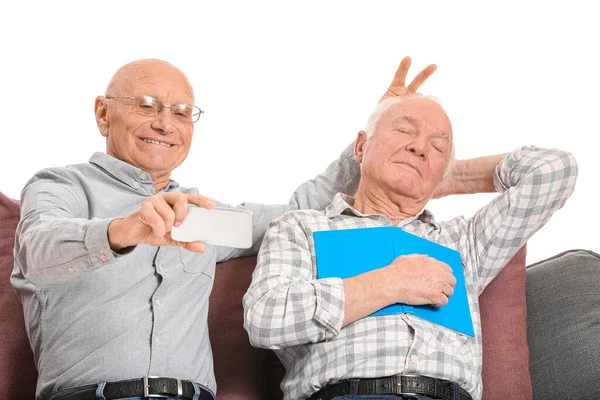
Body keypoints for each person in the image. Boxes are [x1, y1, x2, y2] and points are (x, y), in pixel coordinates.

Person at [10, 57, 434, 400]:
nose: (165, 123)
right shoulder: (62, 186)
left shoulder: (197, 217)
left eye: (180, 112)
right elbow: (36, 252)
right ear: (104, 113)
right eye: (146, 105)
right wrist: (127, 229)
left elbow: (300, 213)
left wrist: (379, 132)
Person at [243, 95, 578, 400]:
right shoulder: (301, 227)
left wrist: (452, 177)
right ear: (361, 148)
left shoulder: (462, 242)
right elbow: (265, 317)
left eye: (438, 148)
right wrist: (392, 282)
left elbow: (554, 171)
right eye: (405, 131)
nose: (420, 148)